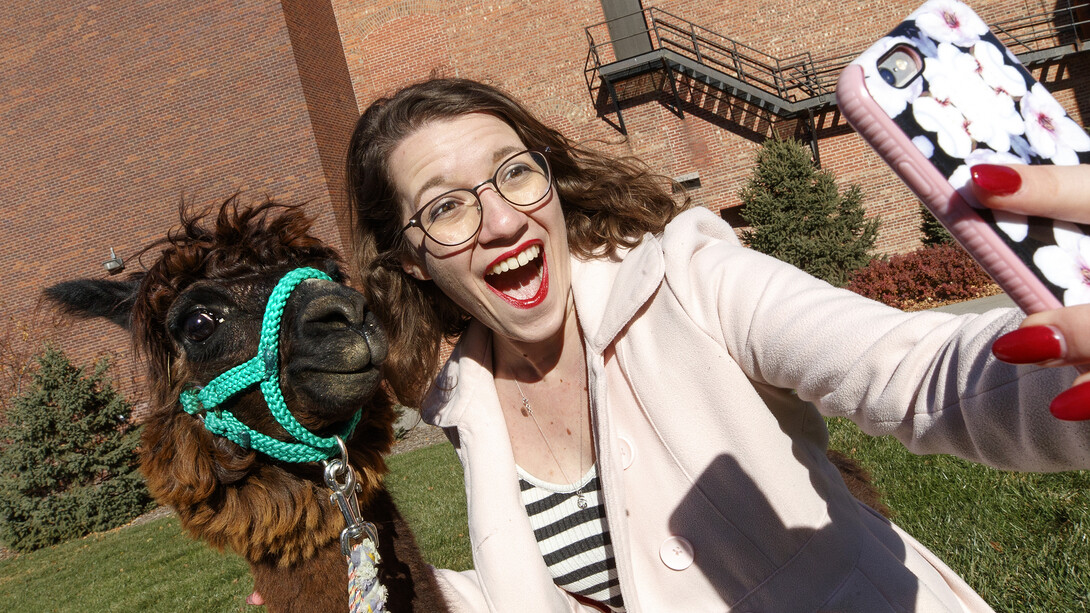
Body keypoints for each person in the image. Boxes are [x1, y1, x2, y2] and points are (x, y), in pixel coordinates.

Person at [344, 77, 1090, 612]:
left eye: (513, 173)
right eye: (446, 207)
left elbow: (917, 372)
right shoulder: (465, 404)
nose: (503, 220)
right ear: (412, 258)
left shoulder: (685, 274)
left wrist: (1063, 365)